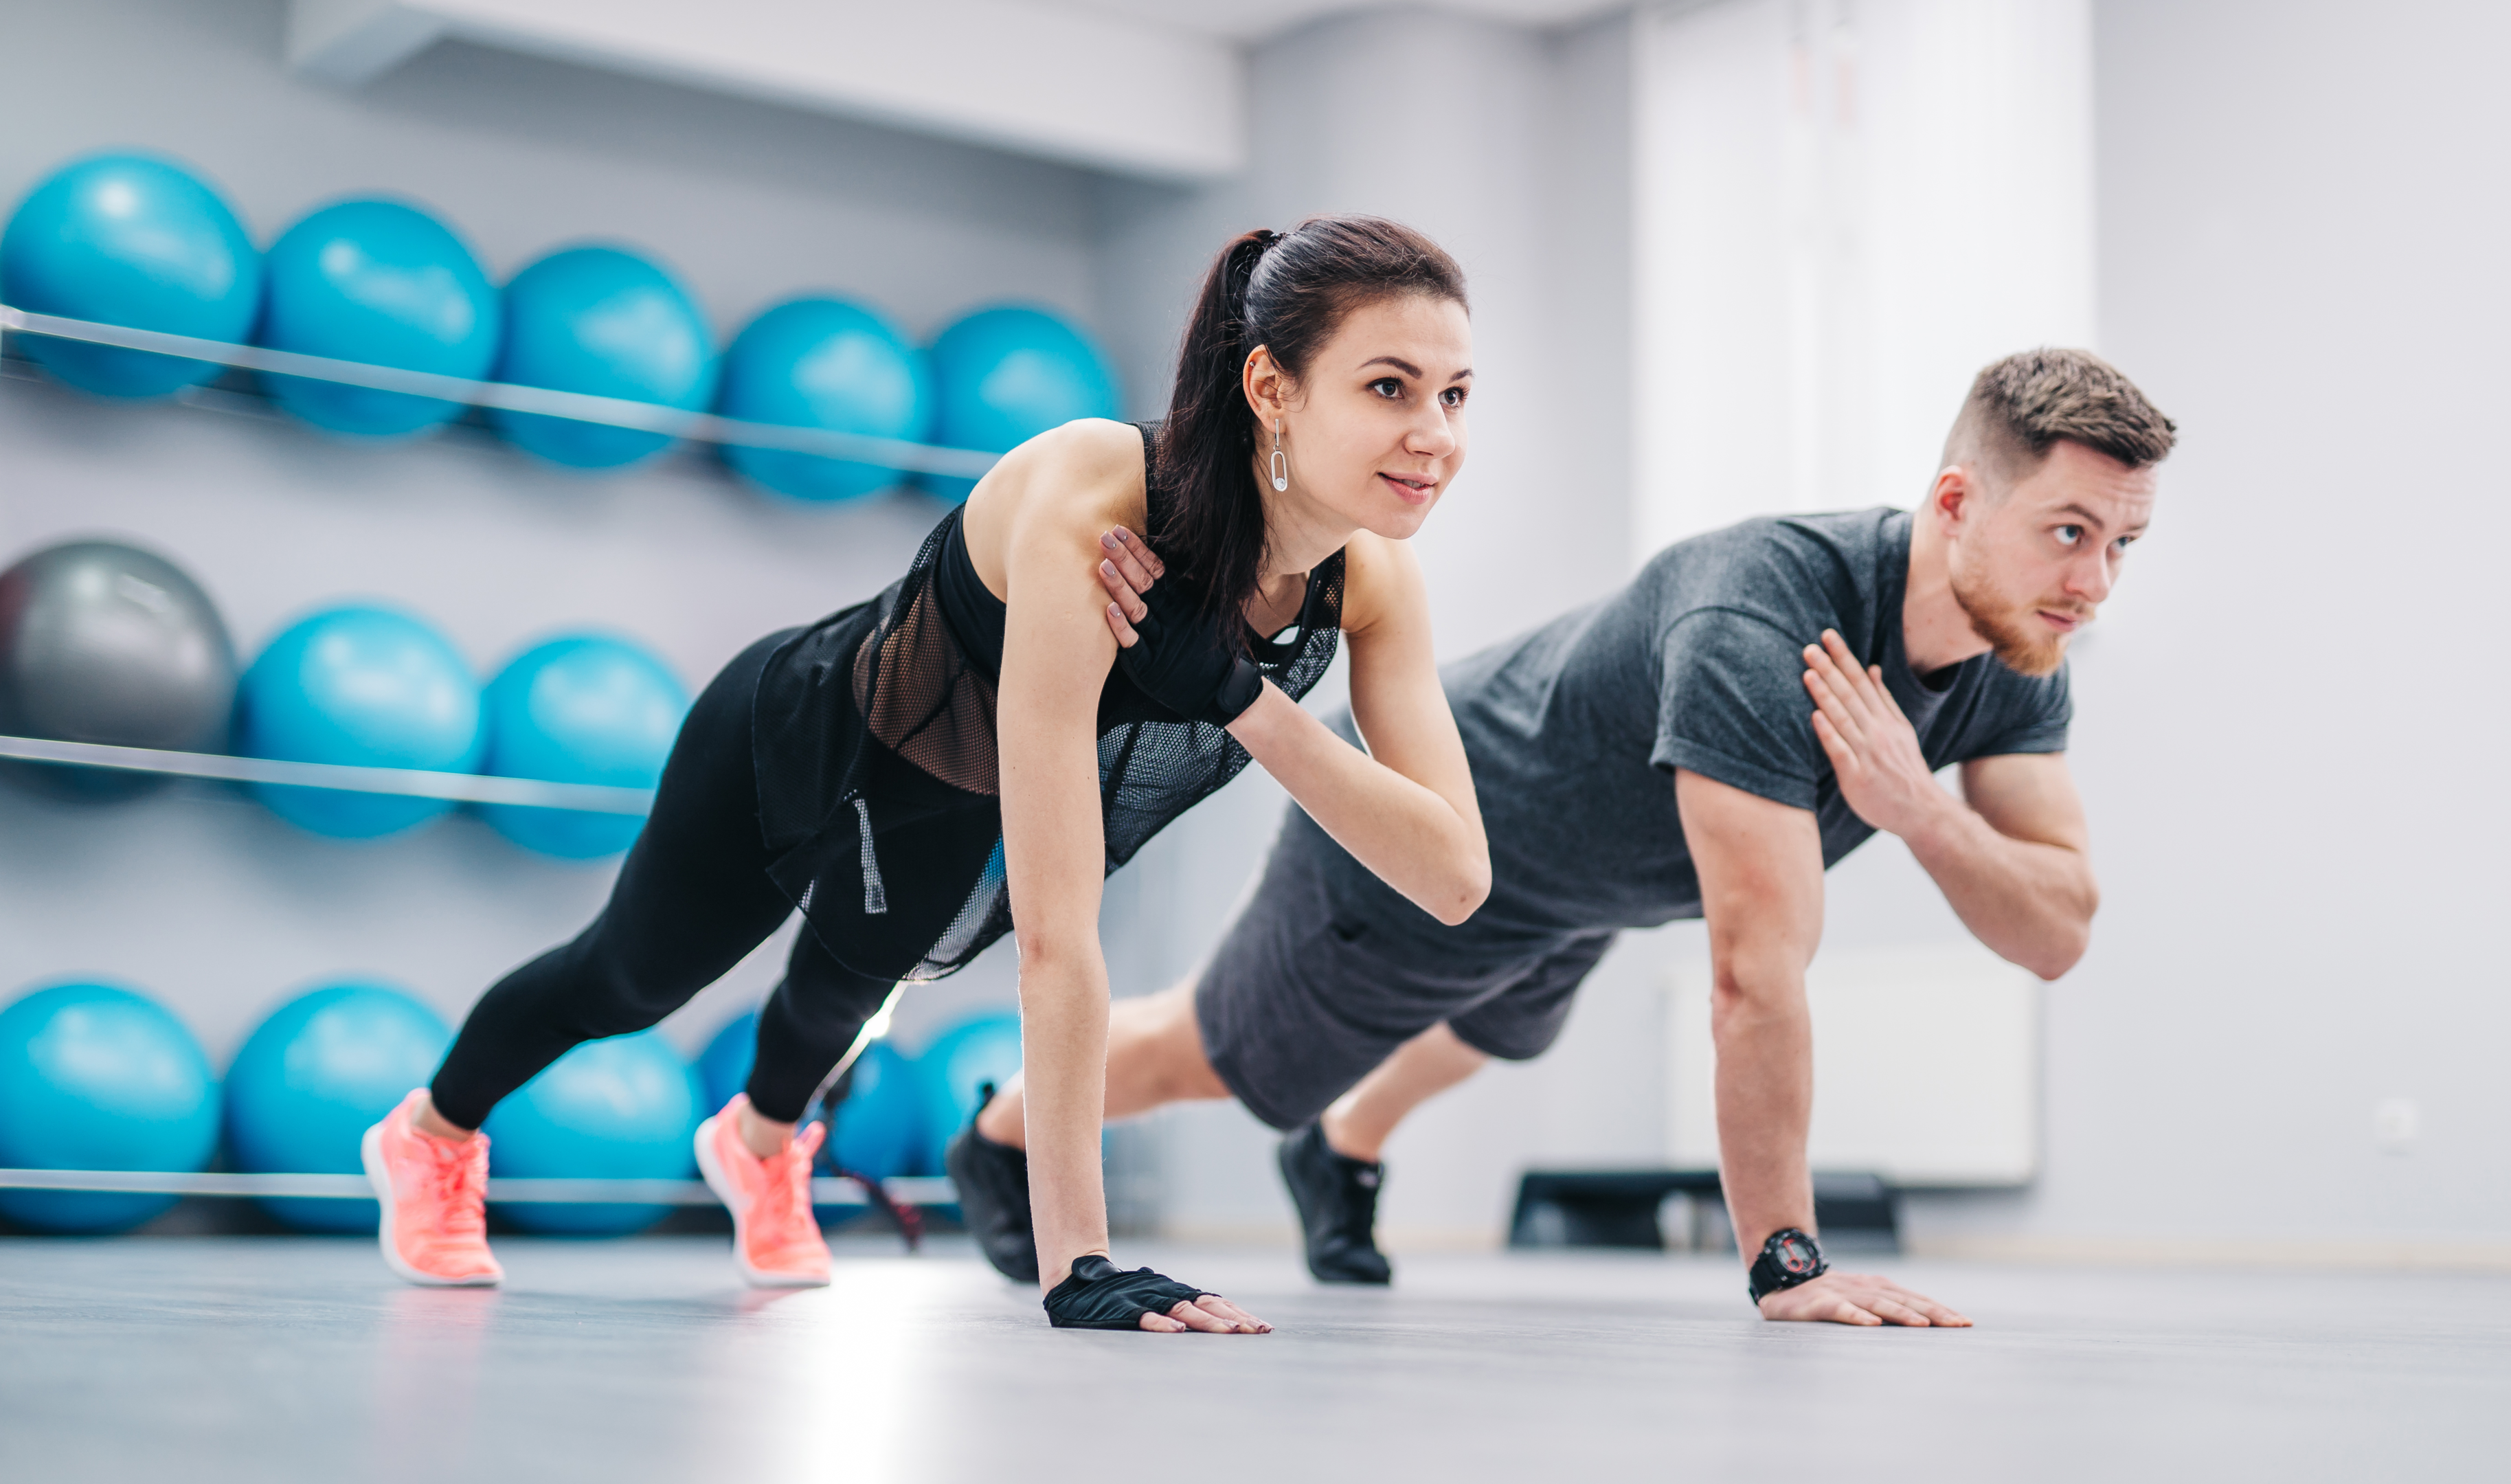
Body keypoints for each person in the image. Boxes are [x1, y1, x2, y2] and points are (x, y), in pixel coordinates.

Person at [358, 216, 1493, 1335]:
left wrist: (1241, 699)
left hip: (946, 802)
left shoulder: (1372, 586)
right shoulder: (1099, 499)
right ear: (1271, 388)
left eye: (1453, 395)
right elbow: (1059, 932)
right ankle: (432, 1135)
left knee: (833, 1009)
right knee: (627, 982)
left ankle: (756, 1150)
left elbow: (1452, 879)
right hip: (795, 737)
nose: (1433, 433)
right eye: (1388, 387)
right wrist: (1080, 1265)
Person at [960, 347, 2175, 1327]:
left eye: (2121, 544)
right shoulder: (1760, 616)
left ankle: (1342, 1152)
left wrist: (1915, 808)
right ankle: (999, 1129)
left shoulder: (2016, 645)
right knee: (1219, 1059)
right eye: (2068, 532)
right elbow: (1754, 973)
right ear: (1956, 501)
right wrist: (1789, 1264)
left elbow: (2056, 929)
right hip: (1433, 834)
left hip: (1594, 879)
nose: (2094, 582)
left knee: (1499, 1029)